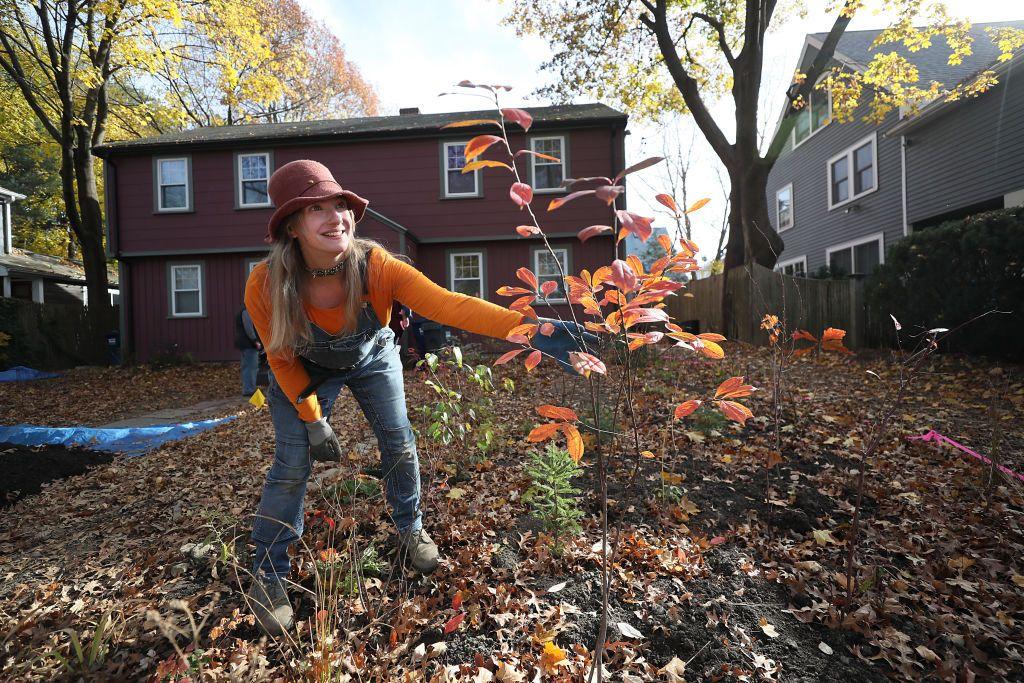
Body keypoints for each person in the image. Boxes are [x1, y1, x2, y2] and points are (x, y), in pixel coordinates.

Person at [242, 159, 595, 636]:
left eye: (340, 205)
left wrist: (537, 329)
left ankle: (410, 528)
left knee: (399, 441)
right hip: (302, 370)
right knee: (291, 464)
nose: (336, 217)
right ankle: (267, 573)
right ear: (291, 225)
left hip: (372, 357)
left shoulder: (377, 266)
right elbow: (281, 358)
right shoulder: (265, 284)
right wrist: (312, 419)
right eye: (316, 209)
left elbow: (451, 304)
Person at [234, 305, 262, 396]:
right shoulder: (246, 312)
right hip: (248, 344)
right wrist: (255, 340)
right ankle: (249, 390)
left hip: (246, 344)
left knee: (249, 367)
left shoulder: (244, 311)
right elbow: (249, 328)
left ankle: (249, 388)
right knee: (250, 367)